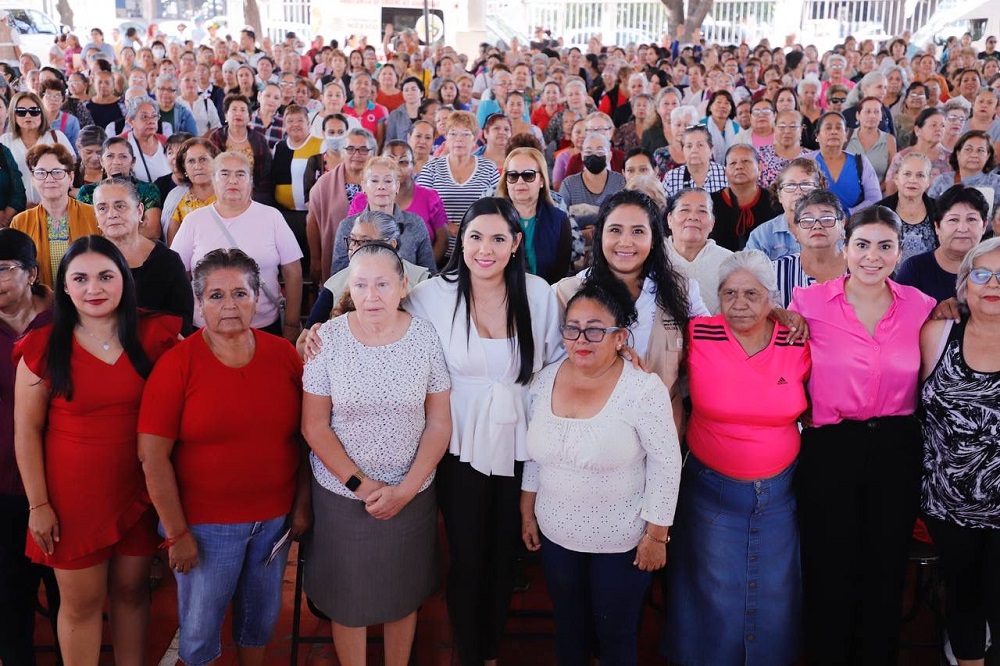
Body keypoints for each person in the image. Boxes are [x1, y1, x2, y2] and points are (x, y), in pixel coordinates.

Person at [405, 198, 563, 666]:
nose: (485, 249)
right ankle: (469, 651)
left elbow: (555, 364)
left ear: (516, 243)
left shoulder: (537, 295)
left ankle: (489, 651)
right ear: (462, 241)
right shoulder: (432, 294)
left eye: (498, 238)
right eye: (475, 237)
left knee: (503, 556)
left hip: (520, 441)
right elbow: (370, 297)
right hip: (458, 442)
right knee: (468, 554)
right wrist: (318, 326)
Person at [137, 248, 309, 666]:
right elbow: (152, 457)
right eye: (215, 296)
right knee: (199, 628)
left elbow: (305, 439)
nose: (229, 305)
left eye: (240, 293)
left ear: (260, 298)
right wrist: (177, 534)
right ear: (199, 303)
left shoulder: (285, 356)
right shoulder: (177, 365)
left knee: (261, 617)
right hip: (204, 526)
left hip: (273, 522)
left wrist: (302, 505)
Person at [14, 235, 181, 666]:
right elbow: (26, 432)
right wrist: (38, 504)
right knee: (82, 605)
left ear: (124, 280)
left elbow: (209, 365)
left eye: (106, 276)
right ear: (64, 286)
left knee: (131, 593)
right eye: (81, 278)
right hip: (72, 500)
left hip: (140, 490)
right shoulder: (43, 344)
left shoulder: (156, 333)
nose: (94, 288)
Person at [790, 206, 935, 665]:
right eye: (863, 245)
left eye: (885, 246)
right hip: (830, 446)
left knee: (885, 564)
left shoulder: (921, 305)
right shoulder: (807, 303)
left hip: (897, 445)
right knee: (827, 562)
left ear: (900, 251)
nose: (873, 257)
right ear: (845, 247)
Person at [301, 241, 451, 666]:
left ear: (403, 286)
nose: (371, 295)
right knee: (348, 600)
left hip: (412, 492)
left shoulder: (425, 336)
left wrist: (405, 489)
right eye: (361, 284)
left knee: (401, 596)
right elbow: (314, 425)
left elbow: (439, 421)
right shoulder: (326, 339)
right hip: (343, 494)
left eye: (382, 283)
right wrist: (363, 486)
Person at [522, 279, 680, 665]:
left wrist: (657, 535)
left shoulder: (642, 390)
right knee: (569, 631)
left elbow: (666, 463)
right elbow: (534, 455)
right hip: (556, 535)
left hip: (623, 542)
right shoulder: (543, 381)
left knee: (616, 638)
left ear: (620, 336)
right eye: (572, 328)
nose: (581, 339)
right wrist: (527, 510)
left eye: (595, 329)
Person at [663, 250, 810, 666]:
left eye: (751, 293)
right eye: (729, 294)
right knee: (712, 589)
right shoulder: (700, 334)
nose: (739, 303)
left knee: (775, 589)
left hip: (779, 494)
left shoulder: (795, 340)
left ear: (771, 300)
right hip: (711, 492)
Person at [918, 236, 1000, 666]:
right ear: (964, 283)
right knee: (964, 599)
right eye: (983, 274)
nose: (993, 284)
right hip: (949, 505)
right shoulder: (938, 332)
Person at [170, 151, 303, 342]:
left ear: (250, 181)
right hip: (205, 327)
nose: (233, 180)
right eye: (224, 174)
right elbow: (176, 273)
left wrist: (291, 324)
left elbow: (293, 272)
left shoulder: (271, 217)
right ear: (213, 180)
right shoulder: (194, 221)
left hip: (263, 325)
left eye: (240, 174)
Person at [0, 229, 52, 666]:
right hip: (2, 485)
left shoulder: (65, 318)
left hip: (61, 480)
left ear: (31, 273)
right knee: (10, 594)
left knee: (67, 592)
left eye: (3, 270)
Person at [93, 178, 193, 332]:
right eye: (102, 208)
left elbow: (182, 322)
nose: (112, 214)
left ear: (139, 211)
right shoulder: (85, 260)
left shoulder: (167, 261)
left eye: (120, 206)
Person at [414, 111, 501, 261]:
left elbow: (498, 207)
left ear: (475, 139)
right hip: (438, 250)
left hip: (479, 251)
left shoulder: (488, 168)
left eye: (465, 134)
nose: (458, 139)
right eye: (453, 134)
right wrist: (446, 226)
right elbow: (421, 208)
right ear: (446, 138)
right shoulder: (432, 167)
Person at [11, 144, 99, 288]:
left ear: (71, 177)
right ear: (33, 179)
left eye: (57, 172)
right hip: (41, 302)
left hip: (88, 297)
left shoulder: (94, 215)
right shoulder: (20, 222)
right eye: (41, 173)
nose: (49, 179)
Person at [349, 140, 450, 264]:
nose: (396, 166)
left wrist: (423, 274)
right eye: (390, 161)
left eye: (403, 162)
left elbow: (443, 240)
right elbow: (350, 240)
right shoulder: (361, 199)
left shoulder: (429, 197)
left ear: (413, 166)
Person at [331, 157, 436, 275]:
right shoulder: (347, 226)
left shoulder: (415, 223)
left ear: (397, 186)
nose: (381, 186)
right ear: (364, 186)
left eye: (388, 181)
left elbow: (428, 273)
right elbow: (337, 275)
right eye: (374, 181)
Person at [896, 185, 989, 303]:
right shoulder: (915, 269)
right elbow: (901, 316)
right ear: (937, 226)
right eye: (953, 220)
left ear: (984, 226)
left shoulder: (994, 268)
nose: (962, 228)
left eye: (971, 219)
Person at [307, 128, 376, 284]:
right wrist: (315, 259)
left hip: (374, 260)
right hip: (335, 258)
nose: (356, 154)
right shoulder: (324, 184)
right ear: (343, 152)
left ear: (373, 153)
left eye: (363, 149)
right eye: (350, 149)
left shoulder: (380, 183)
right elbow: (312, 222)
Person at [497, 147, 572, 283]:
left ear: (542, 181)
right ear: (506, 181)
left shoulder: (559, 221)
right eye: (513, 175)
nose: (520, 181)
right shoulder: (492, 219)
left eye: (528, 175)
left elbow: (560, 275)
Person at [77, 137, 163, 241]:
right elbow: (86, 231)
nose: (116, 162)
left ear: (133, 162)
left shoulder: (147, 189)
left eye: (123, 156)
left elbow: (152, 231)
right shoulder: (87, 192)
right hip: (100, 252)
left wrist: (108, 228)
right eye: (110, 156)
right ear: (101, 161)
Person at [772, 190, 848, 307]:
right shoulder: (775, 271)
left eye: (827, 219)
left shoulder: (859, 267)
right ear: (796, 230)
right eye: (807, 221)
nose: (817, 226)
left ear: (842, 225)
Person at [665, 187, 735, 313]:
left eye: (702, 211)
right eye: (685, 210)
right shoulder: (653, 256)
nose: (693, 217)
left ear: (712, 223)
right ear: (669, 219)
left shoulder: (730, 261)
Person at [0, 91, 75, 207]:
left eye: (34, 111)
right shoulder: (4, 141)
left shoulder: (57, 137)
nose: (28, 115)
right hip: (14, 211)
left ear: (42, 113)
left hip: (55, 208)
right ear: (13, 115)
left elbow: (71, 171)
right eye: (21, 112)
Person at [272, 103, 323, 264]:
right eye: (290, 121)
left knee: (311, 257)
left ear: (308, 123)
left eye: (300, 120)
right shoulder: (279, 147)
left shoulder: (321, 145)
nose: (295, 124)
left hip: (312, 214)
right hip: (285, 214)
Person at [747, 158, 828, 261]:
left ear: (819, 193)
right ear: (779, 195)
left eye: (806, 185)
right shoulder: (761, 235)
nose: (798, 191)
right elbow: (749, 272)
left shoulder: (833, 230)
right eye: (790, 185)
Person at [207, 94, 274, 205]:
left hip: (253, 194)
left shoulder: (259, 140)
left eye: (243, 110)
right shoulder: (216, 137)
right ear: (225, 115)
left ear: (249, 117)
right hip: (220, 192)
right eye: (234, 109)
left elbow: (265, 175)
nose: (238, 113)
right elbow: (210, 168)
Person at [811, 112, 881, 213]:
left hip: (855, 224)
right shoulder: (806, 162)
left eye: (839, 128)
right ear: (817, 135)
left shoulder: (860, 162)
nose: (834, 131)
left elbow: (875, 198)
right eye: (828, 128)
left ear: (845, 135)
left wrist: (849, 214)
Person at [710, 145, 775, 251]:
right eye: (733, 163)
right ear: (725, 171)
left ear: (759, 168)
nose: (739, 166)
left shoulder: (773, 201)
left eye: (745, 161)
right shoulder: (710, 203)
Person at [877, 153, 938, 263]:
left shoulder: (940, 209)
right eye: (907, 174)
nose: (913, 180)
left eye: (920, 175)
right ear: (896, 178)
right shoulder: (878, 211)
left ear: (929, 181)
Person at [559, 133, 626, 230]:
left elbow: (624, 217)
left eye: (600, 151)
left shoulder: (619, 182)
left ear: (609, 156)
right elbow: (560, 221)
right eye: (588, 152)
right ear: (582, 156)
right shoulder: (569, 184)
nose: (594, 156)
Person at [928, 130, 1000, 215]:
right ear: (958, 153)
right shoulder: (941, 181)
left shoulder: (997, 183)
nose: (974, 155)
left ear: (988, 155)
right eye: (968, 149)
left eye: (980, 150)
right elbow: (930, 214)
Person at [884, 108, 951, 195]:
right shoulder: (902, 157)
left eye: (942, 126)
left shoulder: (950, 159)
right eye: (933, 125)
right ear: (918, 130)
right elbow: (891, 189)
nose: (939, 129)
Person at [164, 138, 220, 243]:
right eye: (191, 161)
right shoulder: (176, 199)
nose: (198, 166)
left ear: (216, 162)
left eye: (203, 159)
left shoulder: (228, 195)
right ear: (184, 168)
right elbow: (174, 248)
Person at [663, 125, 729, 199]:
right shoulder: (671, 178)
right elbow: (663, 208)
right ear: (683, 151)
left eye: (700, 145)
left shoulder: (726, 175)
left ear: (711, 150)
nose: (694, 150)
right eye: (689, 146)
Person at [846, 96, 896, 185]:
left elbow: (892, 174)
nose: (872, 116)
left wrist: (874, 193)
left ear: (881, 116)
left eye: (877, 112)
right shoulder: (846, 136)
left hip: (879, 195)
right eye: (867, 111)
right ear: (858, 115)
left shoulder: (889, 140)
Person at [122, 96, 172, 184]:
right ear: (131, 121)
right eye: (144, 116)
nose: (151, 121)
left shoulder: (165, 142)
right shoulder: (121, 143)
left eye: (154, 116)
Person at [758, 110, 810, 188]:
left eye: (793, 127)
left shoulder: (811, 157)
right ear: (774, 128)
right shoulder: (760, 155)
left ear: (801, 130)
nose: (787, 131)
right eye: (782, 126)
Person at [386, 77, 424, 143]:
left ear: (421, 93)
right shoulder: (395, 115)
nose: (410, 93)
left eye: (413, 89)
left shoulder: (429, 112)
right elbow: (389, 140)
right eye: (406, 90)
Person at [0, 139, 25, 225]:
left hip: (7, 224)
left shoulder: (3, 151)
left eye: (0, 124)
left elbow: (18, 188)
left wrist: (6, 217)